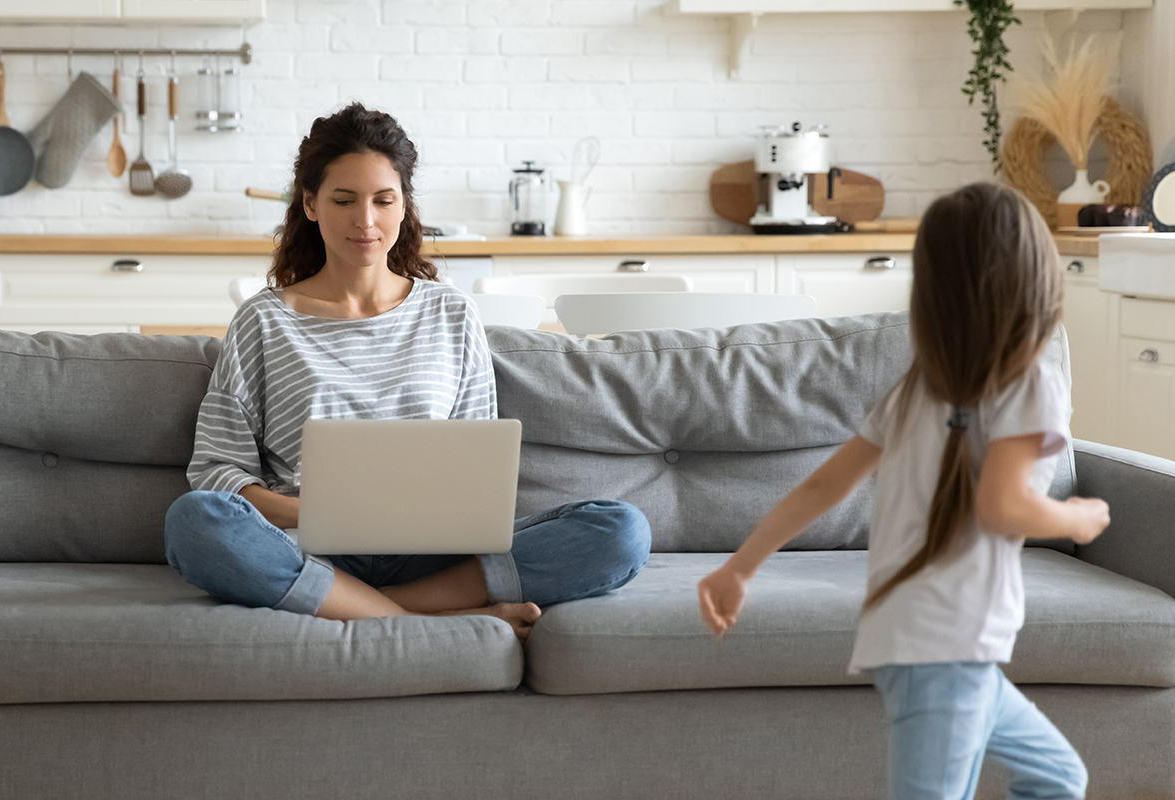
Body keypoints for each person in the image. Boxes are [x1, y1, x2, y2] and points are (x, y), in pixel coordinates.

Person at [164, 103, 650, 641]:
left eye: (383, 200)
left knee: (620, 531)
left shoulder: (451, 313)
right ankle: (427, 620)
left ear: (404, 206)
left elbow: (475, 468)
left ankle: (365, 609)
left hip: (432, 555)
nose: (365, 221)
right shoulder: (263, 320)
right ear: (309, 204)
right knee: (194, 523)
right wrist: (312, 513)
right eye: (343, 200)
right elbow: (216, 473)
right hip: (309, 546)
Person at [697, 183, 1107, 799]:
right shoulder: (1029, 379)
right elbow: (1001, 505)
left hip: (925, 645)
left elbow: (823, 485)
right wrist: (1075, 518)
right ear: (1033, 277)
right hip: (948, 646)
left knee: (1058, 776)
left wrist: (739, 568)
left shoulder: (915, 391)